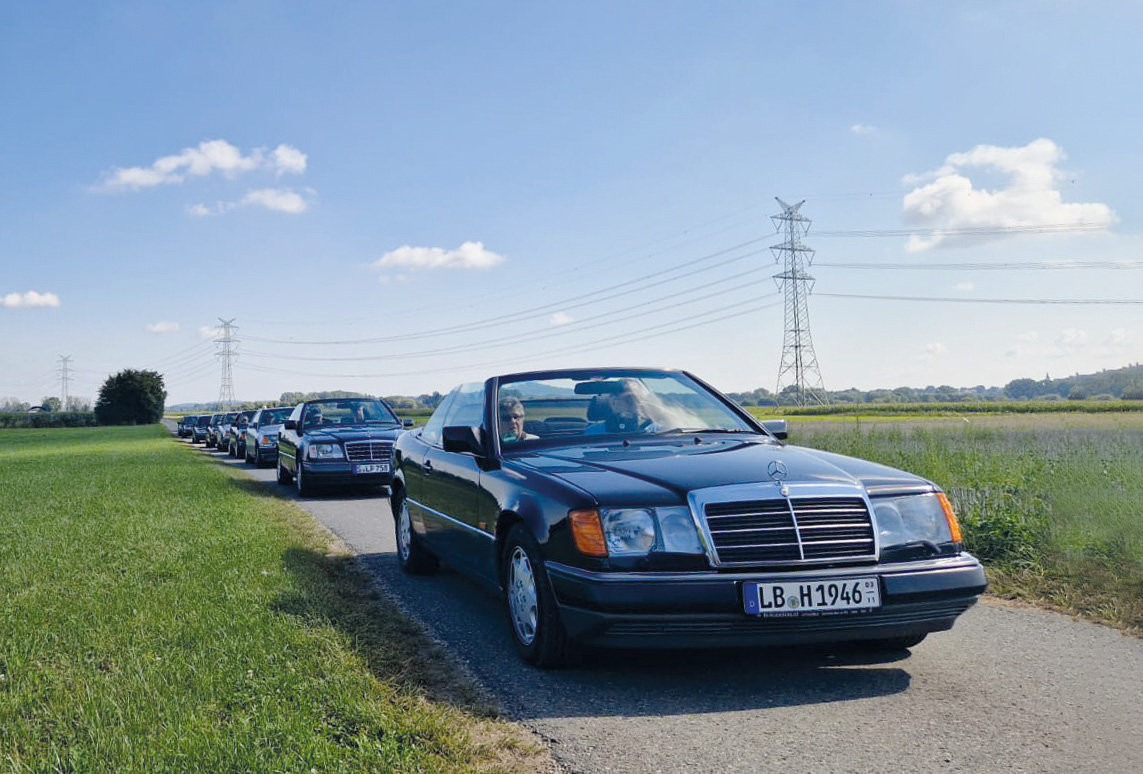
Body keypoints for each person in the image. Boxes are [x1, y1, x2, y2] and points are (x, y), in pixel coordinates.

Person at [587, 379, 661, 434]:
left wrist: (658, 414)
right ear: (613, 403)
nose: (636, 403)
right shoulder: (594, 431)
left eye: (639, 398)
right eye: (629, 399)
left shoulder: (656, 429)